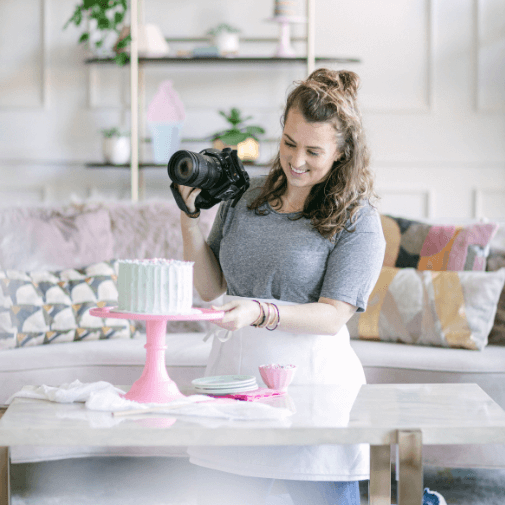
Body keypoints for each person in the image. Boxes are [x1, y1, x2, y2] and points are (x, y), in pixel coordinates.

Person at [177, 68, 386, 505]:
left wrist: (259, 311)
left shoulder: (357, 220)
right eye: (289, 142)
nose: (296, 160)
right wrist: (190, 218)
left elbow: (333, 316)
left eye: (313, 150)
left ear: (341, 153)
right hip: (234, 385)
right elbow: (211, 287)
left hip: (315, 398)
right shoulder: (245, 196)